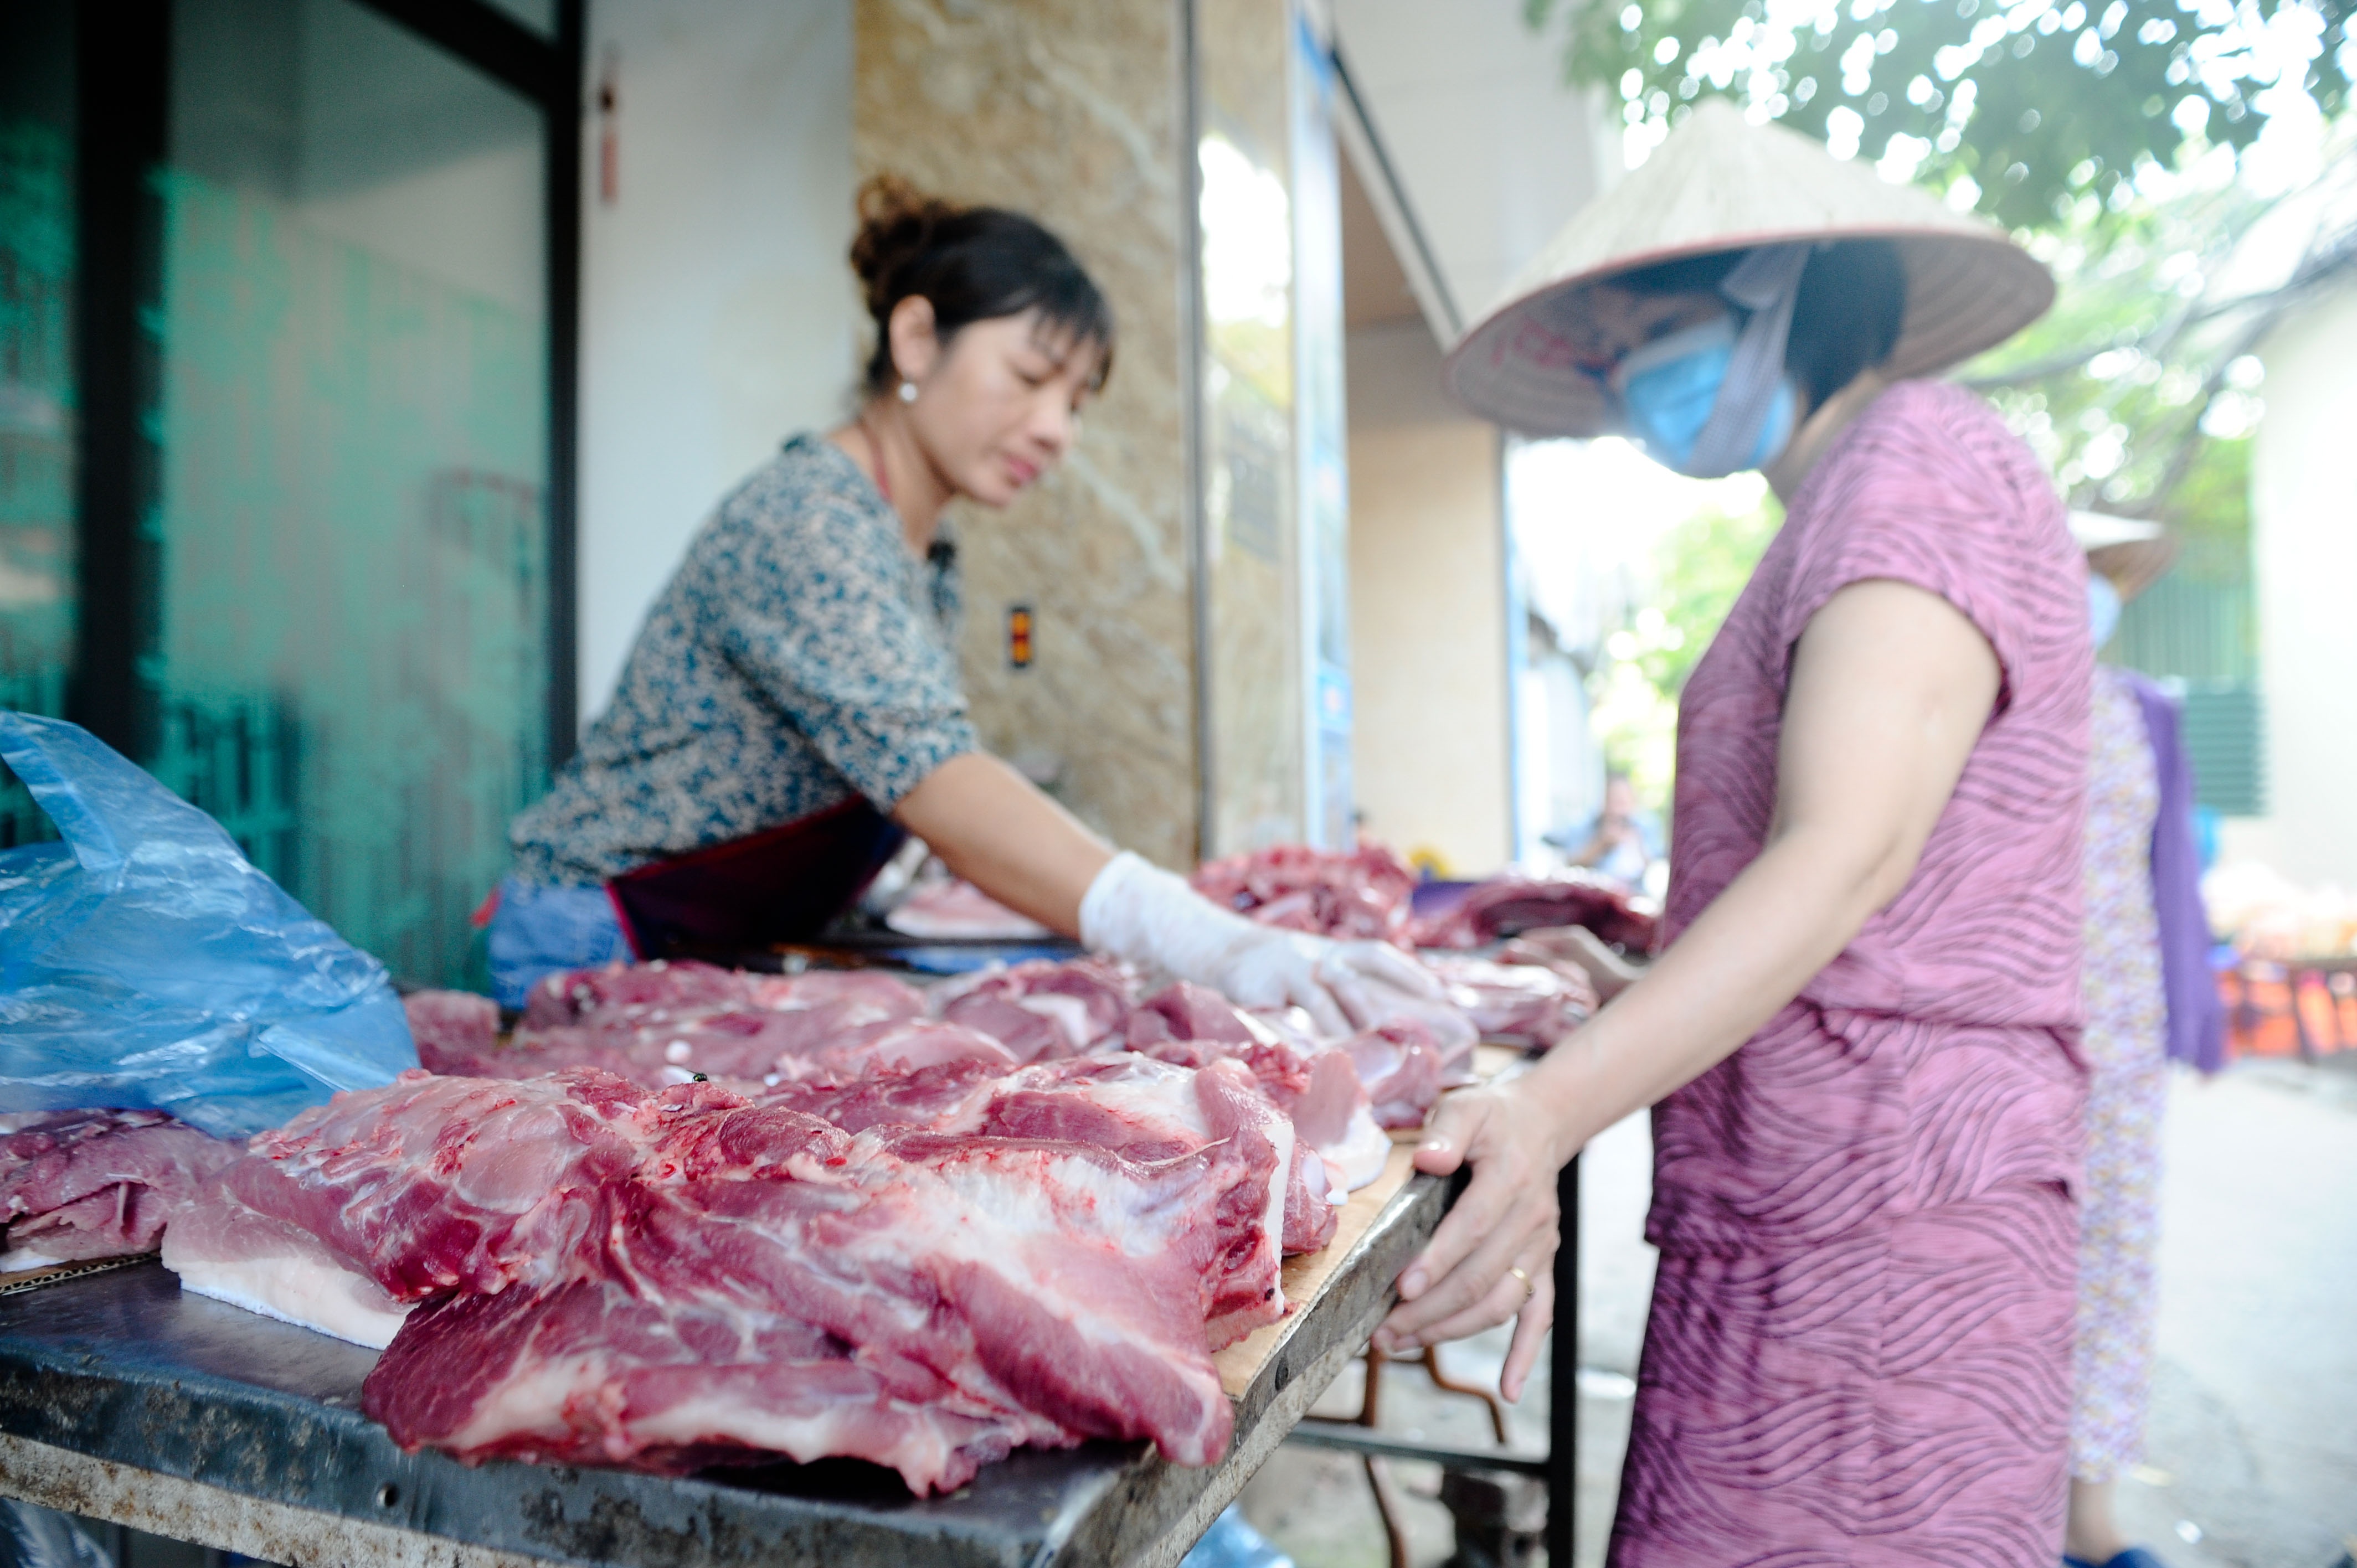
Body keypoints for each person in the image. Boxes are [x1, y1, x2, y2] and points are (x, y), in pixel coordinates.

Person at [1379, 100, 2090, 1560]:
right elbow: (1882, 906)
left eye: (1643, 330)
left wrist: (1546, 1108)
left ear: (1787, 292)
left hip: (1886, 1232)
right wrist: (1643, 1000)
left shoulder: (1919, 458)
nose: (1624, 374)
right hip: (1802, 1211)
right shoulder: (1840, 498)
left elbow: (1848, 857)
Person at [490, 177, 1430, 1030]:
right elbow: (935, 775)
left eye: (1077, 401)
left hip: (703, 941)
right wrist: (1201, 938)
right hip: (593, 933)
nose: (1057, 430)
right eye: (1028, 379)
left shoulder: (924, 545)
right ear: (914, 340)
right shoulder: (810, 517)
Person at [2066, 513, 2224, 1568]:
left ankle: (2090, 1523)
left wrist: (2190, 1009)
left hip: (2119, 1034)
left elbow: (2171, 865)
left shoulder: (2140, 710)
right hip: (1998, 1032)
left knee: (2113, 1266)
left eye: (2094, 573)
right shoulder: (1970, 700)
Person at [1552, 768, 1661, 890]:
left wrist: (1636, 844)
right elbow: (1571, 863)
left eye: (1623, 802)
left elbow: (1656, 869)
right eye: (1614, 801)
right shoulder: (1587, 825)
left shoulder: (1645, 825)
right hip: (1596, 894)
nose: (1618, 809)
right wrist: (1601, 844)